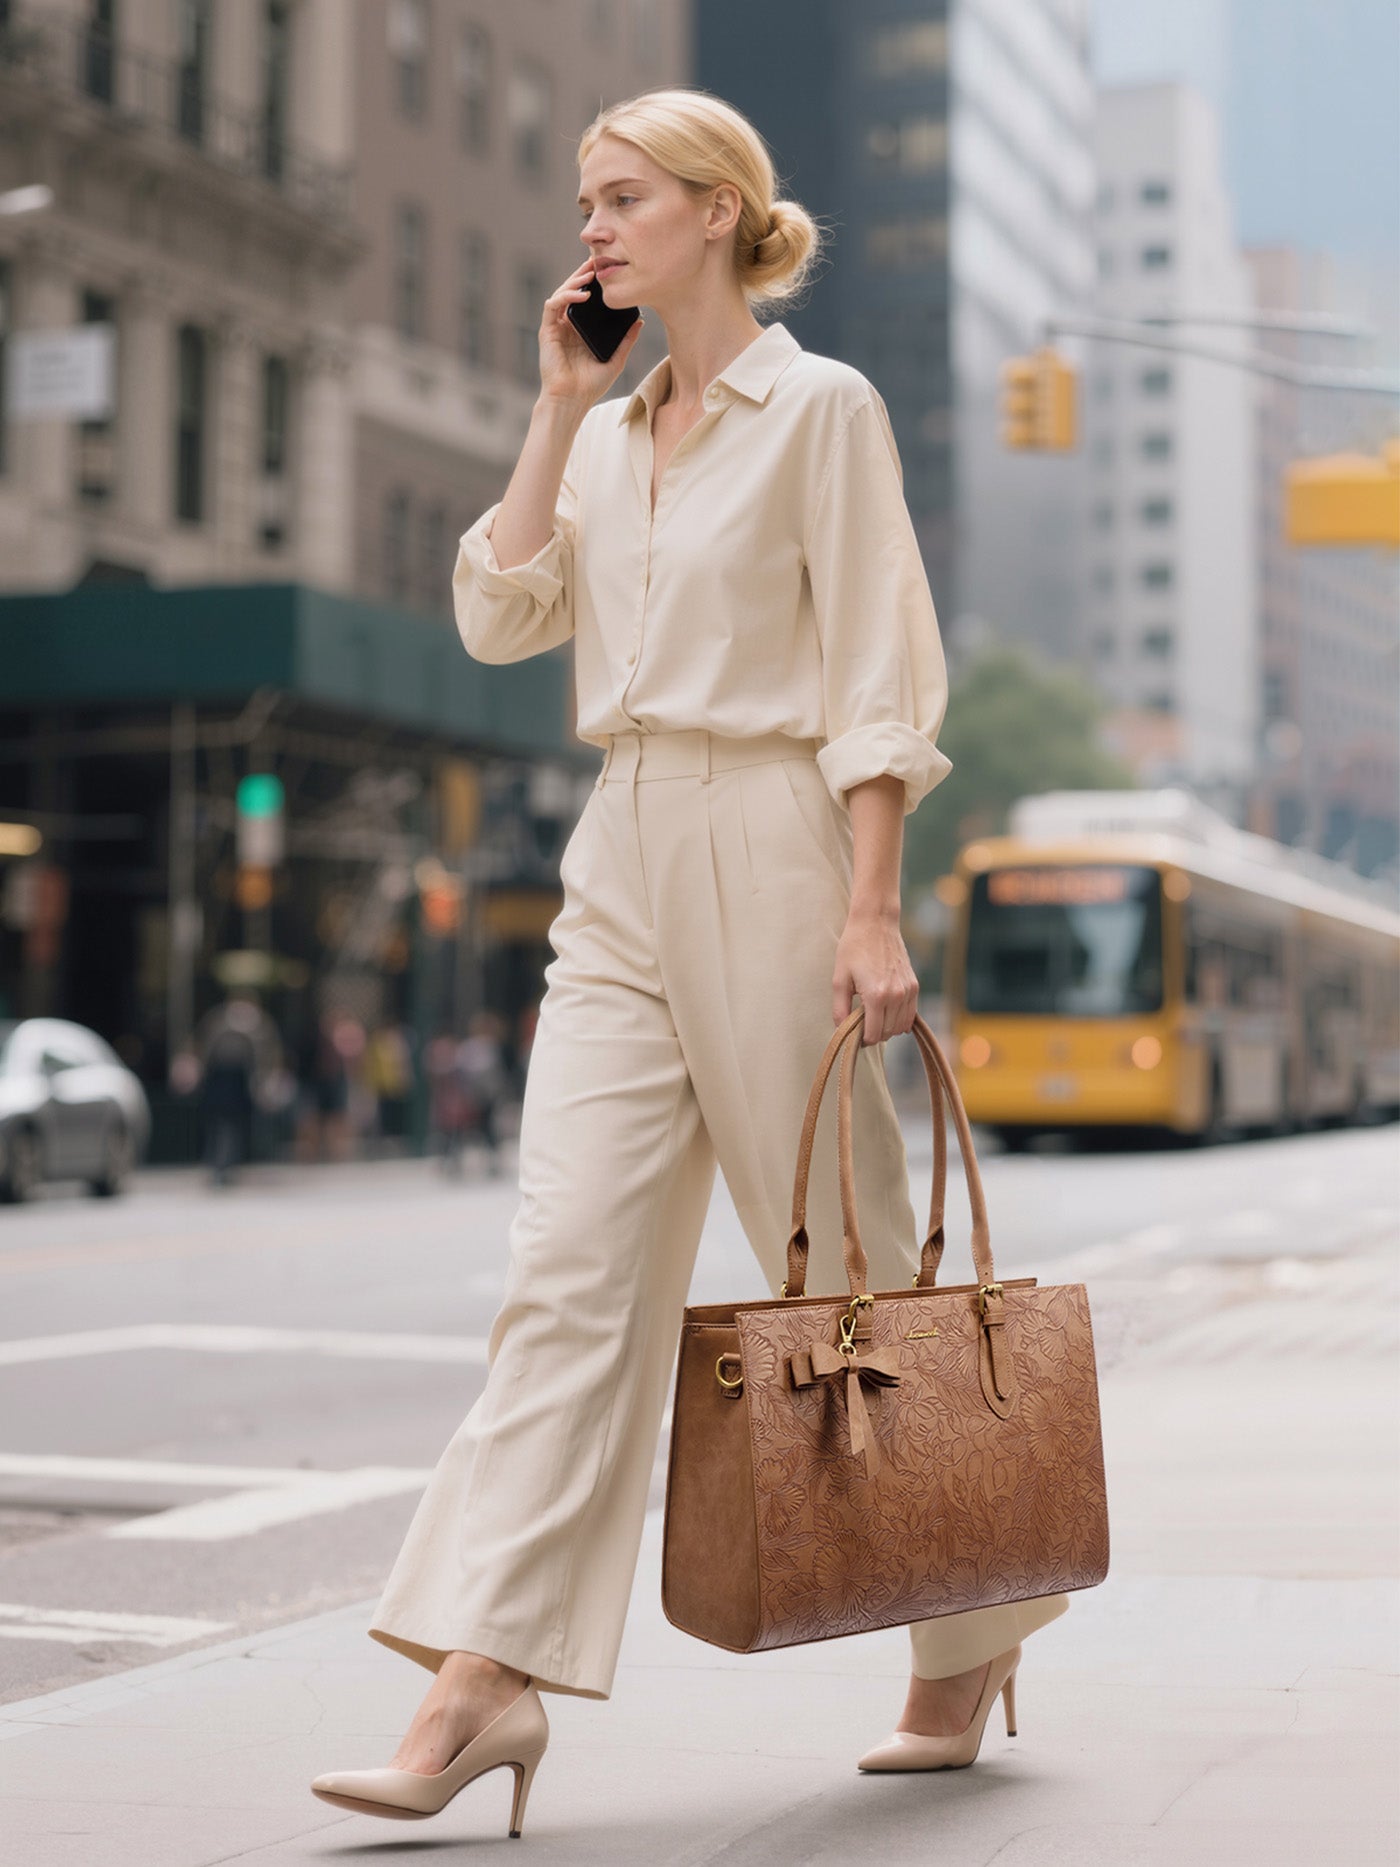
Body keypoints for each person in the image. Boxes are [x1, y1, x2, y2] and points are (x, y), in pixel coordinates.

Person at [311, 88, 1068, 1833]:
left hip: (779, 843)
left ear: (718, 211)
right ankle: (486, 1676)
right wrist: (556, 404)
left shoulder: (824, 410)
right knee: (564, 1272)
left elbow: (879, 670)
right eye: (586, 202)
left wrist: (869, 909)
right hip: (622, 850)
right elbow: (497, 611)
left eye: (622, 197)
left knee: (847, 1257)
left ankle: (969, 1631)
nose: (590, 229)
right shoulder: (602, 433)